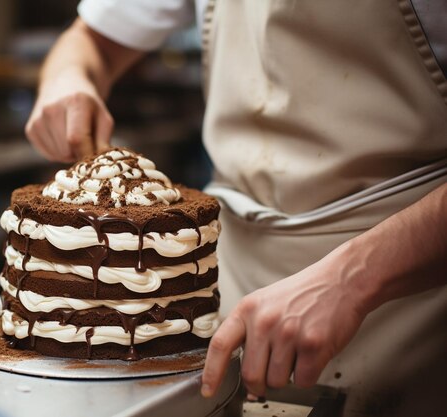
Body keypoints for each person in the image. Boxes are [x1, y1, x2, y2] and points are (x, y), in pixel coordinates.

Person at [25, 1, 447, 415]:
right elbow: (89, 42)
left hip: (404, 295)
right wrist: (68, 79)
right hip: (224, 282)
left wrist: (354, 278)